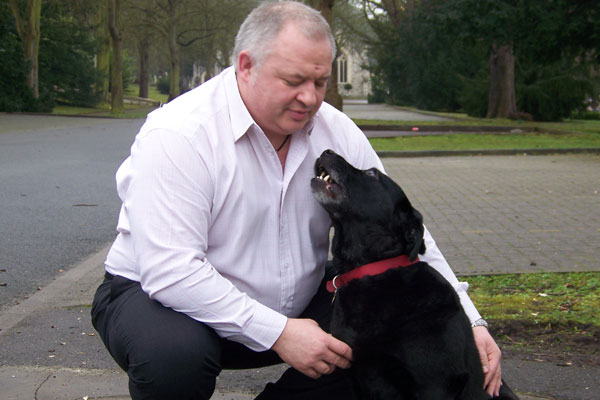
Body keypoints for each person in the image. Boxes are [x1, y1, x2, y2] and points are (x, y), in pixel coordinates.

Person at [92, 1, 508, 399]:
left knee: (393, 316)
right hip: (164, 302)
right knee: (172, 359)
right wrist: (279, 332)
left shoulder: (336, 130)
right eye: (293, 81)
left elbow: (404, 234)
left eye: (320, 82)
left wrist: (467, 320)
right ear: (246, 66)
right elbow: (170, 271)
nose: (310, 98)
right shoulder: (180, 135)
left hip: (298, 302)